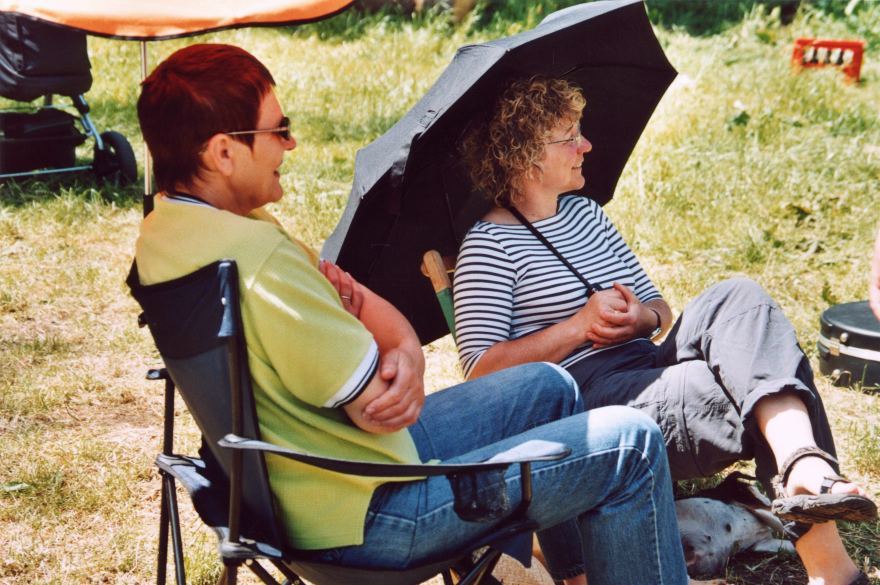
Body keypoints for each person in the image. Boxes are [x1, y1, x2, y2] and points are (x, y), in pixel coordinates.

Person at [132, 44, 691, 585]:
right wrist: (396, 351)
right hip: (370, 514)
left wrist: (396, 344)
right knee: (633, 442)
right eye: (278, 130)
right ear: (223, 153)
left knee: (549, 386)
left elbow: (360, 305)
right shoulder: (261, 259)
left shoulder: (172, 235)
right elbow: (381, 405)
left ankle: (580, 574)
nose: (292, 142)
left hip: (318, 478)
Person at [454, 76, 877, 585]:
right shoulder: (489, 246)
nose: (586, 145)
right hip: (585, 401)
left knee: (738, 295)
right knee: (762, 378)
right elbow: (481, 373)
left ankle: (800, 463)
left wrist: (641, 319)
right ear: (524, 157)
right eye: (570, 137)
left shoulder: (586, 214)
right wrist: (577, 326)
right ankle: (827, 552)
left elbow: (659, 308)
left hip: (643, 362)